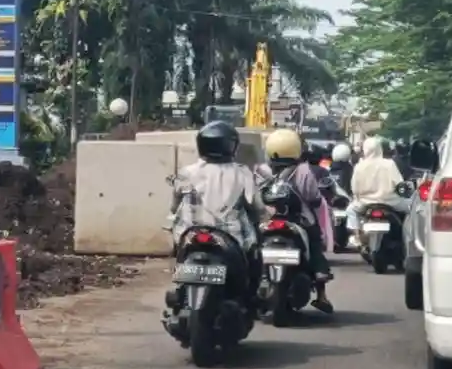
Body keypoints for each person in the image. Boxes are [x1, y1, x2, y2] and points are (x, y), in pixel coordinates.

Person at [169, 121, 266, 299]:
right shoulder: (242, 173)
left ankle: (179, 292)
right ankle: (251, 298)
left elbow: (174, 207)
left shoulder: (186, 172)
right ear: (232, 146)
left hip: (189, 235)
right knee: (253, 260)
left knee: (177, 253)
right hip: (231, 238)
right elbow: (257, 207)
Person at [264, 128, 334, 313]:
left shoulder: (265, 170)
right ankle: (321, 293)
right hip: (301, 220)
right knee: (315, 242)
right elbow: (314, 197)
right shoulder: (303, 170)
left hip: (268, 220)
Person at [349, 136, 409, 230]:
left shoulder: (359, 166)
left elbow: (354, 189)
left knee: (350, 211)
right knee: (411, 209)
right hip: (391, 202)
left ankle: (356, 235)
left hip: (364, 202)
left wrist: (358, 198)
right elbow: (399, 184)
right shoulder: (389, 164)